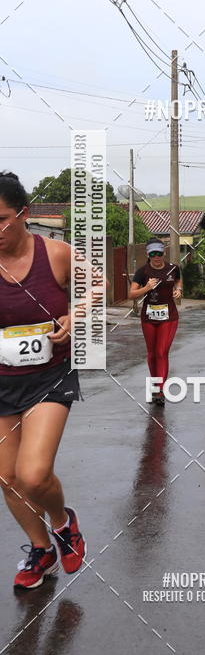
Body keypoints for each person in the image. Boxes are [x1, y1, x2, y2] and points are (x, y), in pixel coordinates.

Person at [0, 172, 86, 589]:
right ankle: (42, 550)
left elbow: (99, 285)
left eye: (1, 220)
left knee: (33, 474)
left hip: (49, 377)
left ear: (23, 213)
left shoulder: (56, 253)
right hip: (3, 381)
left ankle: (63, 523)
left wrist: (76, 314)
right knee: (8, 478)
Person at [130, 238, 182, 405]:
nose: (156, 257)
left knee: (161, 351)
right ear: (148, 254)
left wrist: (178, 289)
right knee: (152, 353)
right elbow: (131, 294)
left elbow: (178, 280)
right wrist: (146, 288)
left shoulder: (173, 268)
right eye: (152, 254)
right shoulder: (142, 272)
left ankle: (160, 390)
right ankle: (155, 386)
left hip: (169, 317)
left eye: (159, 253)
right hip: (149, 317)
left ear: (164, 252)